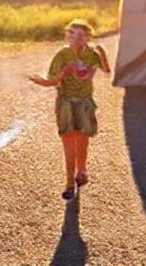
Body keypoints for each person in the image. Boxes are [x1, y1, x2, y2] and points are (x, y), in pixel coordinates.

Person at [29, 19, 111, 200]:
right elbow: (52, 81)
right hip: (65, 102)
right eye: (70, 33)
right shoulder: (61, 55)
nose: (74, 38)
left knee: (82, 139)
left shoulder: (92, 54)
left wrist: (101, 54)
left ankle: (82, 169)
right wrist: (61, 73)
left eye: (80, 35)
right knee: (68, 141)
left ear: (88, 38)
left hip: (84, 102)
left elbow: (102, 72)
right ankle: (69, 183)